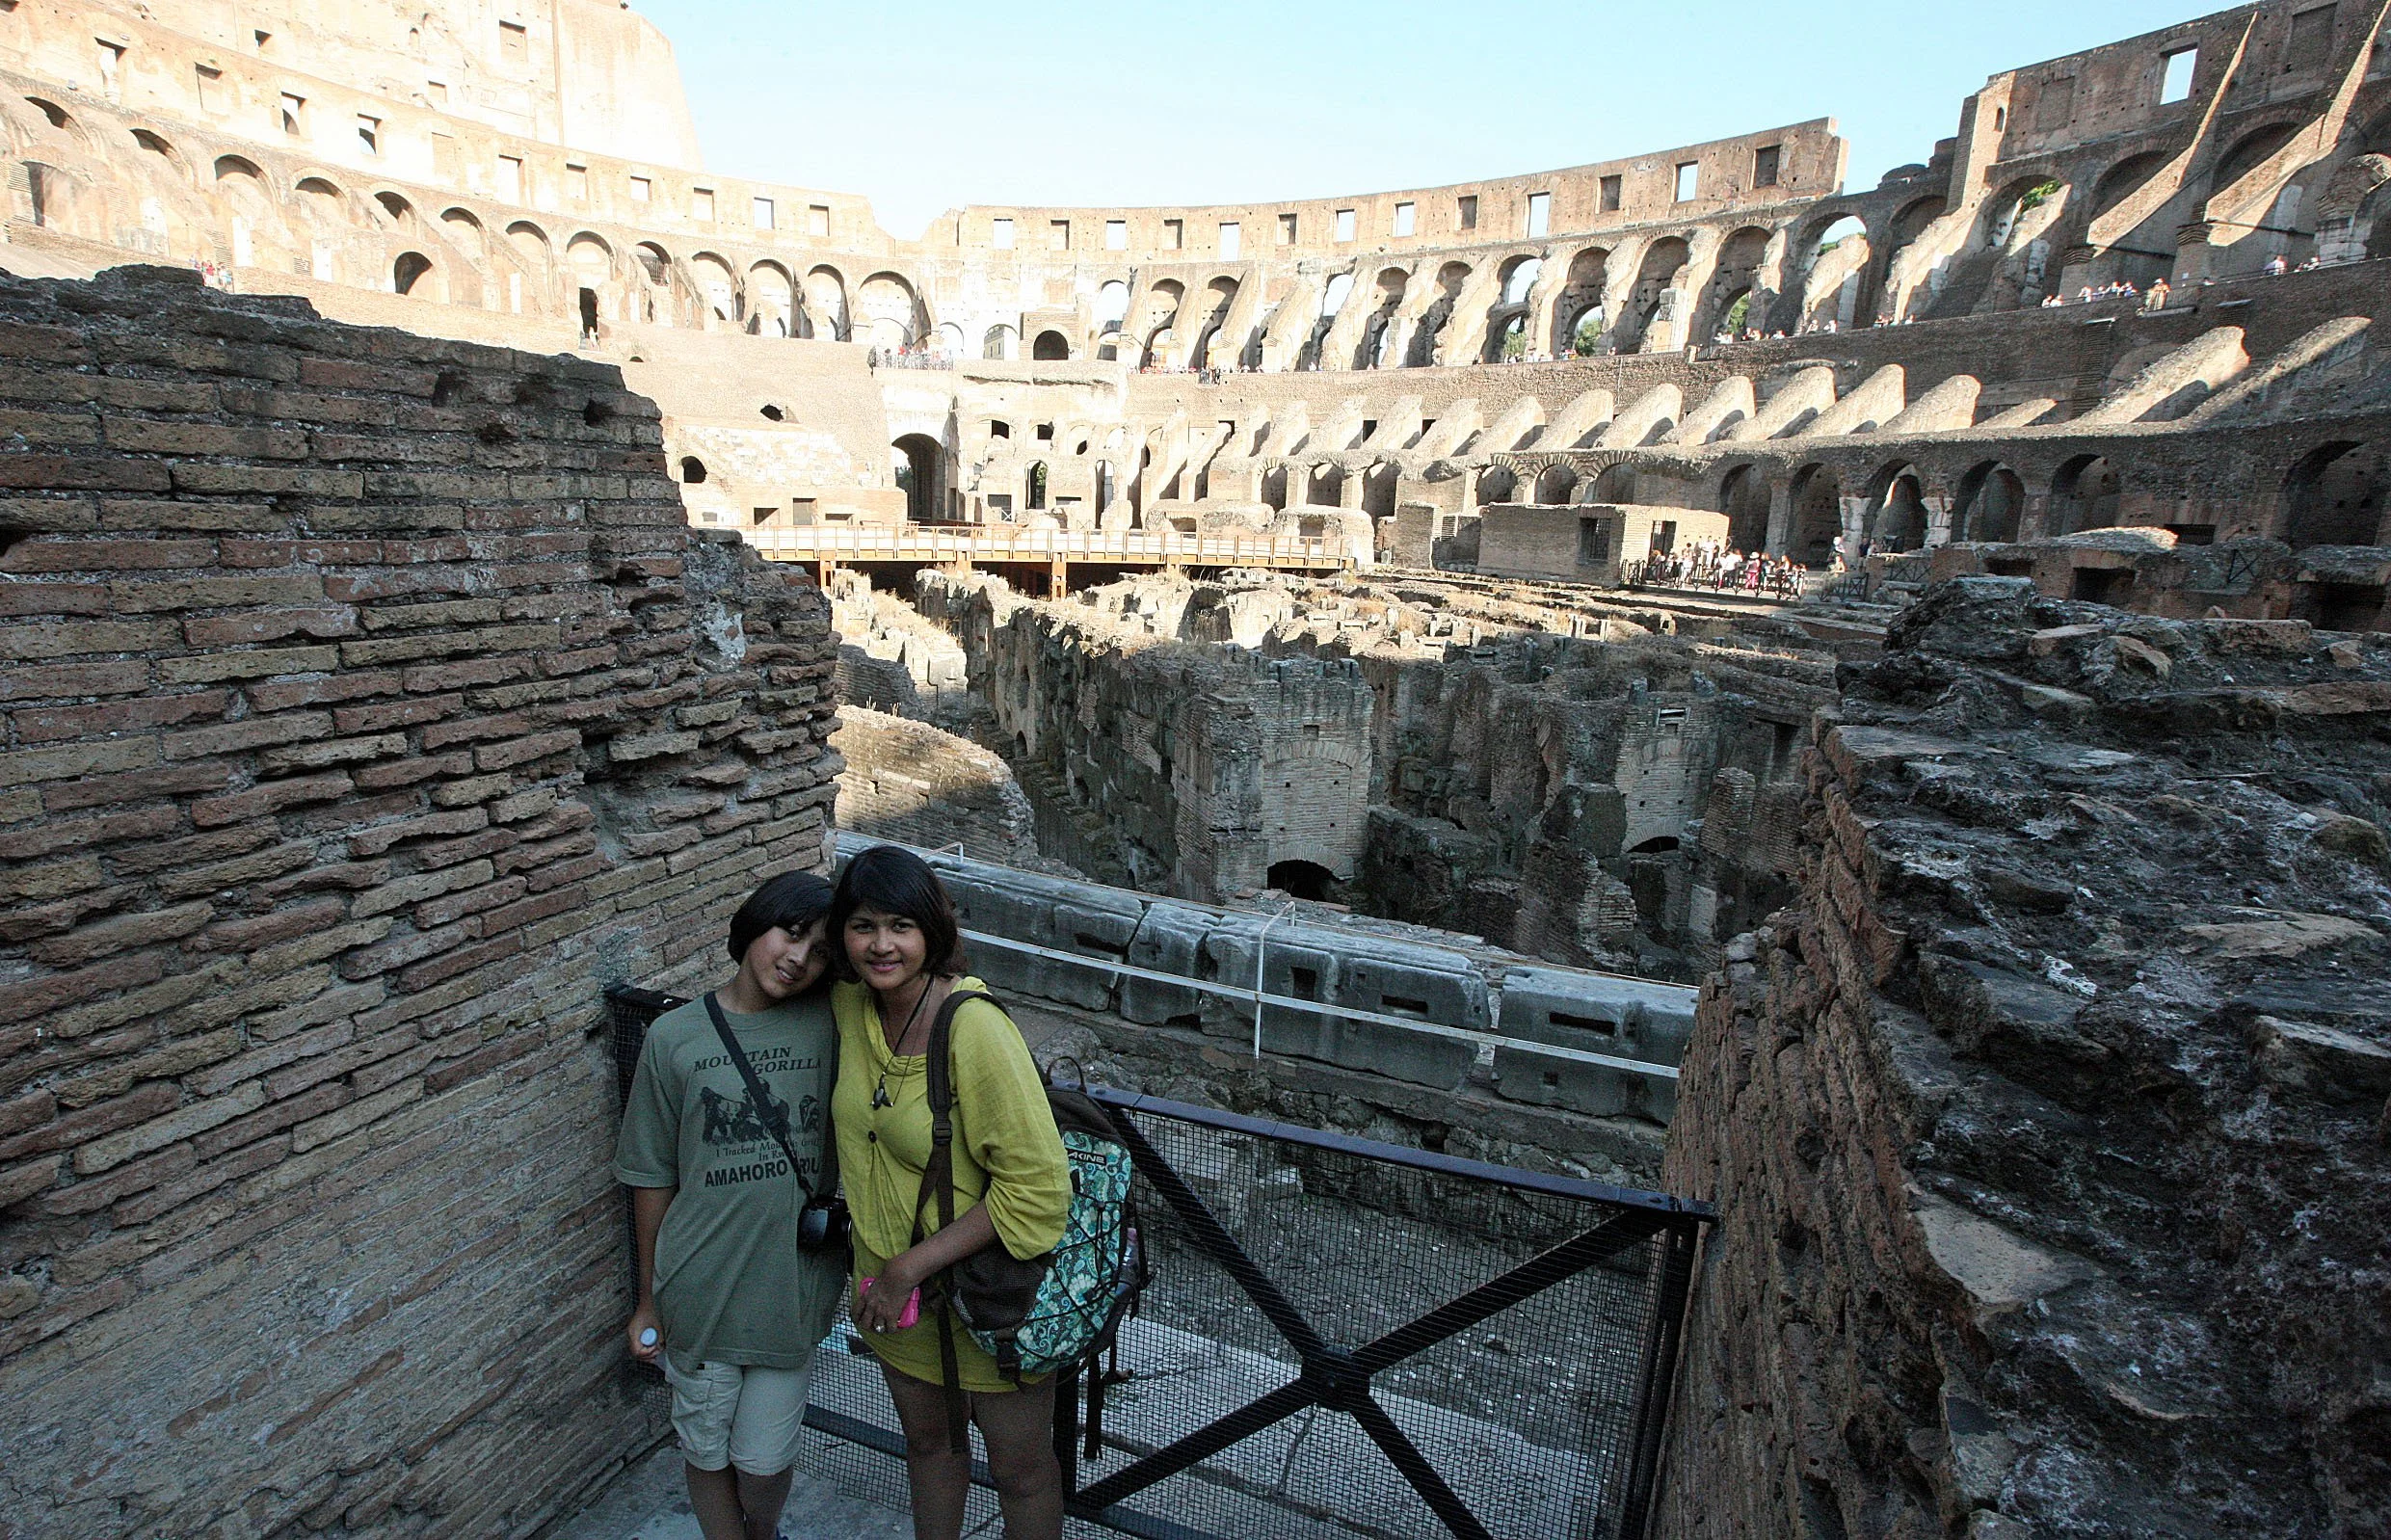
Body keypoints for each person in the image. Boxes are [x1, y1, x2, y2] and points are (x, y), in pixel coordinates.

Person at [832, 845, 1072, 1540]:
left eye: (901, 926)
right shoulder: (852, 1006)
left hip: (986, 1297)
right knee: (929, 1448)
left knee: (1021, 1472)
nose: (882, 945)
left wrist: (907, 1267)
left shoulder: (974, 1029)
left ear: (932, 932)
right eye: (863, 926)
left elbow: (1037, 1190)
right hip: (896, 1303)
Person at [617, 871, 845, 1540]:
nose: (798, 959)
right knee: (705, 1449)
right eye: (790, 933)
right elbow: (652, 1176)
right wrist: (647, 1299)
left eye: (821, 952)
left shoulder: (834, 1023)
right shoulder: (674, 1037)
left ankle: (762, 1531)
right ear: (753, 925)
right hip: (697, 1285)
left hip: (789, 1288)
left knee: (763, 1461)